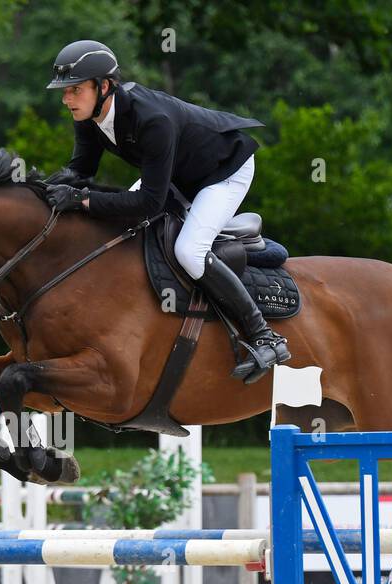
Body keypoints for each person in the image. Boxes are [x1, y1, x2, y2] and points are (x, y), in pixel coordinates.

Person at [41, 40, 291, 384]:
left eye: (74, 90)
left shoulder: (151, 120)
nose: (66, 99)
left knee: (188, 251)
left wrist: (84, 201)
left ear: (104, 86)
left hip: (222, 171)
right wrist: (38, 193)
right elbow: (79, 172)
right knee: (123, 235)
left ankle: (265, 336)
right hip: (176, 174)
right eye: (64, 92)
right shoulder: (88, 117)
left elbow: (148, 204)